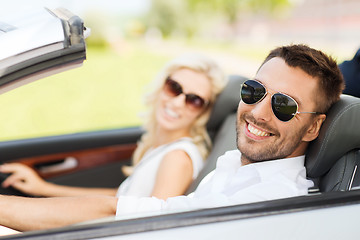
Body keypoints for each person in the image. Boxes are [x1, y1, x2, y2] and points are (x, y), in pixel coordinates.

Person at [0, 44, 345, 232]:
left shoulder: (271, 201)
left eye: (285, 105)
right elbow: (143, 208)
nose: (259, 112)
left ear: (314, 127)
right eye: (253, 91)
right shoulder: (234, 167)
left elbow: (128, 214)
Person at [0, 53, 226, 201]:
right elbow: (121, 199)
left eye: (194, 100)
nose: (177, 102)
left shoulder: (177, 158)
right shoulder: (161, 147)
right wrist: (44, 189)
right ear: (162, 86)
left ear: (203, 112)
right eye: (174, 87)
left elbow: (153, 228)